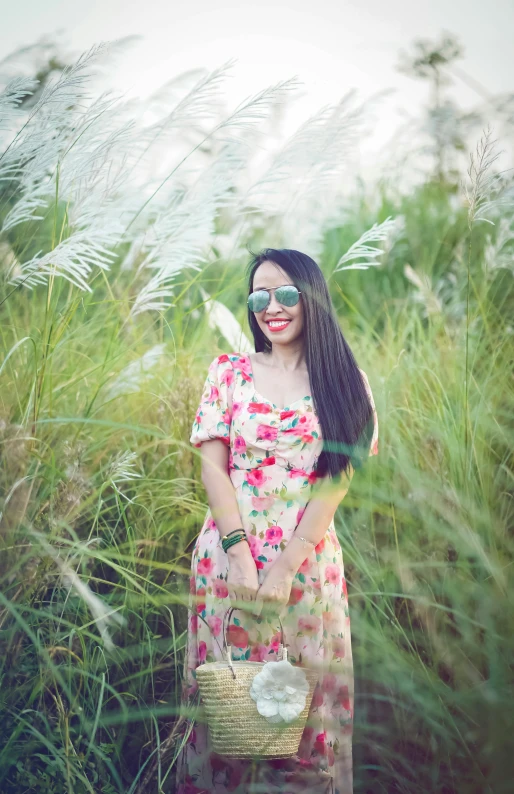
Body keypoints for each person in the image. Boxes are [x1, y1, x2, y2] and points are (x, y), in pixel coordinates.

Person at [175, 248, 379, 794]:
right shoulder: (228, 372)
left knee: (307, 730)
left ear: (312, 298)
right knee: (230, 719)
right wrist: (241, 556)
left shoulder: (345, 381)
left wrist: (286, 566)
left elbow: (336, 480)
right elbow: (213, 471)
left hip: (307, 566)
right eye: (259, 296)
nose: (273, 307)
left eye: (286, 293)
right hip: (228, 560)